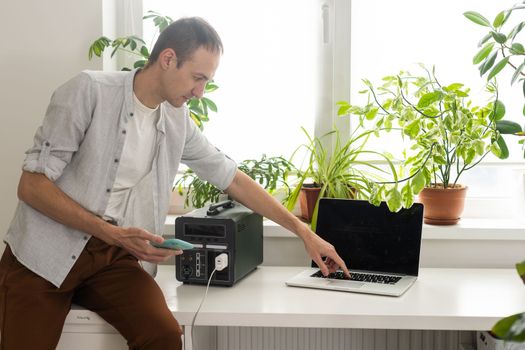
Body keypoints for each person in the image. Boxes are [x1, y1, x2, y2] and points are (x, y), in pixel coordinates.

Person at [0, 16, 349, 350]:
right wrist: (114, 235)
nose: (200, 92)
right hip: (42, 256)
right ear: (168, 59)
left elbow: (233, 179)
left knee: (164, 337)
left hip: (109, 257)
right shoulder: (89, 92)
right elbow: (31, 186)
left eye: (207, 82)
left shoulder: (176, 119)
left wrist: (304, 232)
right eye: (197, 77)